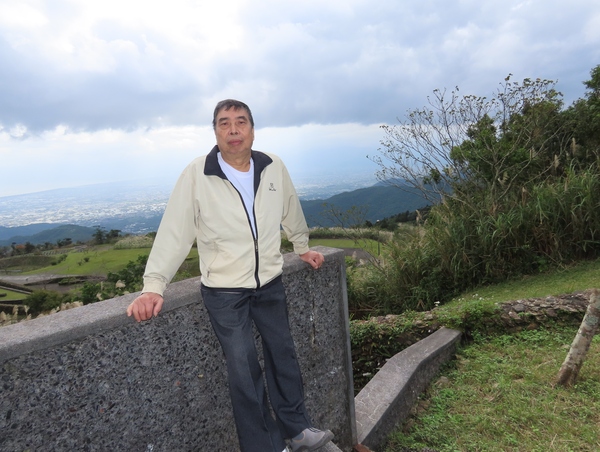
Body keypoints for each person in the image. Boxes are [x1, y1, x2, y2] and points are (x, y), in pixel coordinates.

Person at [126, 99, 334, 452]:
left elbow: (290, 208)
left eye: (241, 121)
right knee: (243, 370)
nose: (233, 129)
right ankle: (266, 447)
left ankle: (298, 429)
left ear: (252, 129)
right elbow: (175, 231)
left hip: (269, 282)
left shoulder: (272, 166)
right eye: (224, 123)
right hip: (224, 292)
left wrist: (302, 246)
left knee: (283, 355)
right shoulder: (197, 174)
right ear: (215, 131)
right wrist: (154, 285)